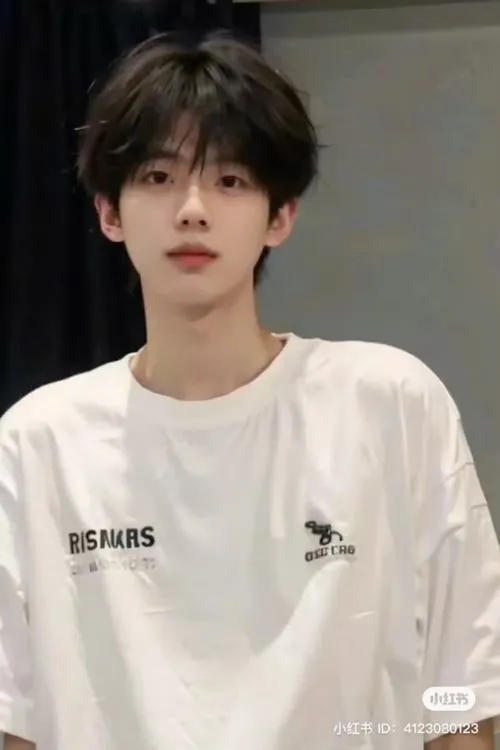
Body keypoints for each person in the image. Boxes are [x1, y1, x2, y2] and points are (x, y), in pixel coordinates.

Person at [1, 31, 499, 750]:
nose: (193, 209)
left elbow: (460, 699)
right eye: (158, 177)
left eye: (230, 181)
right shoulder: (40, 442)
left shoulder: (390, 404)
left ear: (281, 215)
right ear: (109, 212)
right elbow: (15, 719)